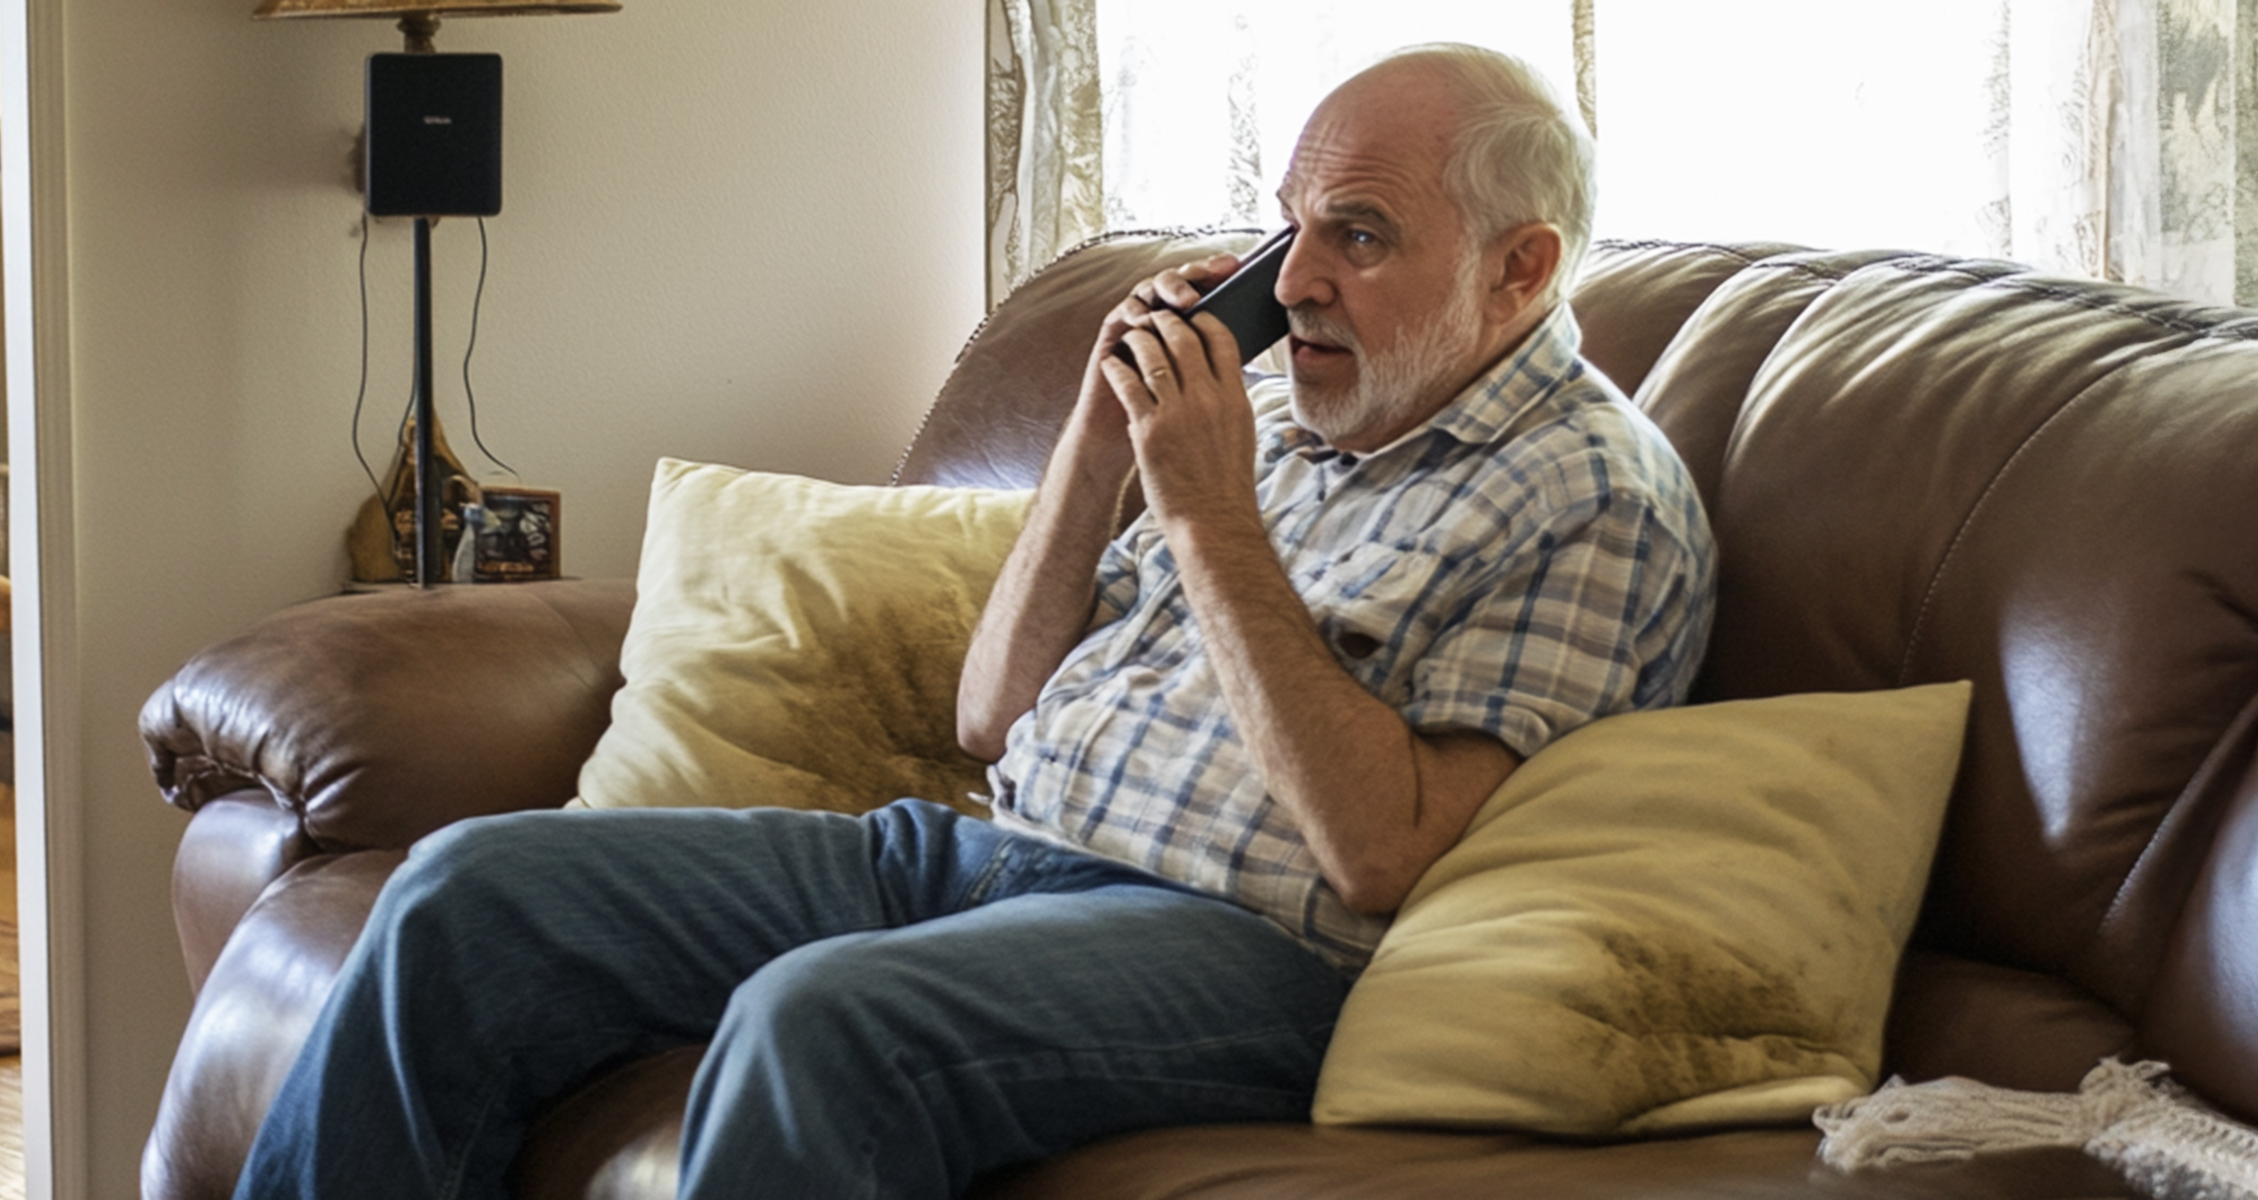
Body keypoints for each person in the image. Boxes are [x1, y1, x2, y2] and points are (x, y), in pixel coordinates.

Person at [230, 42, 1715, 1200]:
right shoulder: (1284, 402)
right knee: (467, 899)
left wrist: (1208, 520)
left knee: (828, 1025)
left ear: (1523, 268)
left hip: (1247, 952)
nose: (1299, 281)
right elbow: (992, 719)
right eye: (1291, 227)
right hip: (970, 855)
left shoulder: (1590, 499)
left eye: (1363, 236)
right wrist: (1095, 441)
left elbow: (1382, 853)